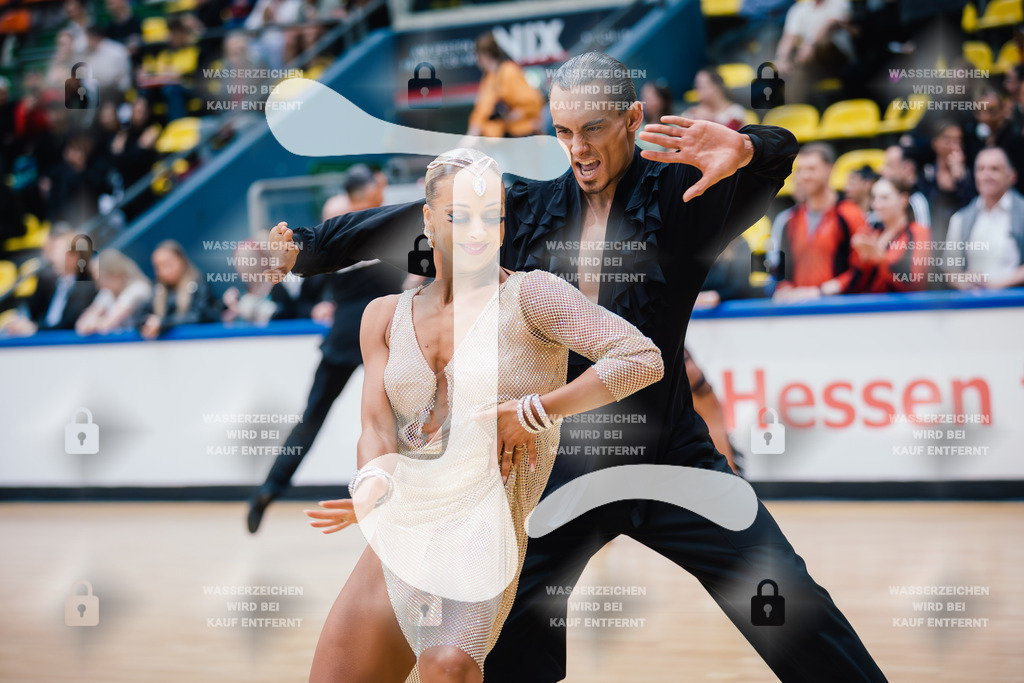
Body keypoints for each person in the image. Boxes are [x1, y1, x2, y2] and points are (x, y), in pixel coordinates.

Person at [267, 51, 886, 683]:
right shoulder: (529, 208)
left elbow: (779, 156)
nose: (577, 147)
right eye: (563, 131)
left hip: (667, 452)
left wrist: (748, 147)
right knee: (507, 644)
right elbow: (409, 221)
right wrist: (307, 250)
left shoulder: (682, 193)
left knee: (784, 601)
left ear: (632, 119)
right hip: (554, 466)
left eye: (592, 128)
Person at [303, 147, 663, 682]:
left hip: (480, 539)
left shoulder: (531, 296)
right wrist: (374, 478)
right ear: (428, 219)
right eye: (458, 215)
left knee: (448, 667)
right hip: (400, 531)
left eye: (491, 215)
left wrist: (536, 411)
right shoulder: (384, 316)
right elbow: (376, 427)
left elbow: (641, 359)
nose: (477, 229)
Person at [246, 166, 404, 533]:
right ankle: (400, 495)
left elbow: (311, 277)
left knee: (312, 417)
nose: (383, 190)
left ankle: (268, 490)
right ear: (372, 191)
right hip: (379, 332)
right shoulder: (379, 227)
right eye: (379, 185)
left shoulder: (338, 226)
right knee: (395, 418)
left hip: (345, 333)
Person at [773, 142, 868, 301]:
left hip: (840, 309)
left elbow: (864, 267)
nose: (804, 176)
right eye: (800, 170)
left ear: (829, 169)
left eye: (811, 169)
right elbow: (781, 270)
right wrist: (784, 288)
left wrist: (824, 290)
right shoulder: (789, 220)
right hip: (799, 311)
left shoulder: (851, 214)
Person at [943, 147, 1024, 290]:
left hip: (1015, 303)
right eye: (981, 169)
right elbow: (951, 269)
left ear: (1011, 176)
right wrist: (967, 282)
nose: (987, 175)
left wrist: (994, 285)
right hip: (976, 306)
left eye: (995, 169)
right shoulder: (960, 218)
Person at [844, 177, 932, 294]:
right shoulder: (873, 234)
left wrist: (880, 258)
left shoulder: (918, 232)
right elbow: (858, 281)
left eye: (884, 198)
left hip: (902, 308)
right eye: (874, 198)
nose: (877, 205)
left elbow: (915, 281)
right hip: (870, 306)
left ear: (903, 200)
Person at [467, 32, 544, 139]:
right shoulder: (489, 78)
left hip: (524, 134)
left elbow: (532, 102)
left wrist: (512, 115)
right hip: (505, 137)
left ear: (484, 55)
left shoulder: (509, 71)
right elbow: (482, 112)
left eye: (478, 56)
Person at [138, 240, 221, 338]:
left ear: (181, 260)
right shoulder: (157, 288)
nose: (164, 271)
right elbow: (140, 317)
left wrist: (163, 324)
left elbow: (200, 315)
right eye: (158, 267)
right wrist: (147, 323)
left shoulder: (199, 282)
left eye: (168, 264)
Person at [919, 119, 975, 243]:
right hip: (934, 237)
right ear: (935, 143)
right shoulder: (927, 173)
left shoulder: (970, 174)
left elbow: (972, 207)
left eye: (958, 141)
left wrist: (961, 180)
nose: (955, 146)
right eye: (948, 140)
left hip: (962, 237)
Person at [76, 248, 153, 335]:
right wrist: (91, 322)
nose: (98, 285)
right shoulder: (107, 292)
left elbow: (107, 324)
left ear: (116, 274)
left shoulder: (138, 289)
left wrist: (95, 323)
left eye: (101, 279)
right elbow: (81, 324)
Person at [881, 145, 931, 229]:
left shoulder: (916, 201)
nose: (882, 171)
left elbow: (922, 240)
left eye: (889, 165)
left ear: (908, 169)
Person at [681, 68, 746, 131]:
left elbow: (740, 138)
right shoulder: (691, 114)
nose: (697, 90)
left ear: (716, 87)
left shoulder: (734, 112)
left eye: (701, 86)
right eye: (696, 86)